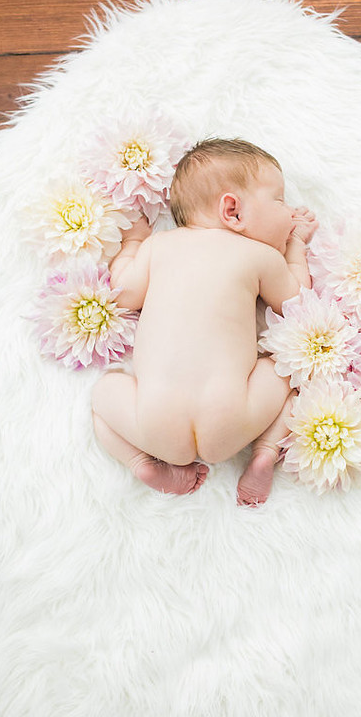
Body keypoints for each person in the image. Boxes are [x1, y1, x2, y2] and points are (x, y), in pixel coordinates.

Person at [91, 138, 318, 505]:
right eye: (279, 201)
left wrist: (133, 241)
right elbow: (297, 302)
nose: (289, 212)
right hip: (230, 420)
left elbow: (124, 292)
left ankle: (142, 464)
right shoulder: (260, 255)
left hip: (155, 421)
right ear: (233, 210)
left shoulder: (159, 246)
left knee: (103, 394)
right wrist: (296, 247)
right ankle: (265, 451)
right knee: (293, 365)